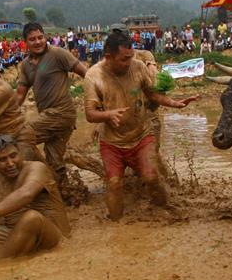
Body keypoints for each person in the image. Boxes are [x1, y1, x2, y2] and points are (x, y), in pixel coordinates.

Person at [83, 31, 198, 221]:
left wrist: (174, 103)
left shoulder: (138, 67)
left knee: (151, 176)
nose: (129, 62)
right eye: (123, 59)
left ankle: (166, 211)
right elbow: (89, 114)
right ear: (108, 57)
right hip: (112, 142)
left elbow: (152, 95)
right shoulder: (93, 76)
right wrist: (107, 115)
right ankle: (116, 226)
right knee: (114, 183)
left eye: (131, 57)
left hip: (141, 135)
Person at [15, 22, 88, 186]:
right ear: (25, 42)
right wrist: (6, 113)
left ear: (45, 37)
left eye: (40, 37)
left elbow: (86, 74)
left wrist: (97, 98)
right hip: (47, 117)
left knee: (23, 137)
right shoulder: (25, 65)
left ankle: (38, 175)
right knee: (55, 162)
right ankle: (66, 193)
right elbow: (20, 94)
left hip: (61, 113)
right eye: (32, 39)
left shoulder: (57, 54)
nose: (38, 42)